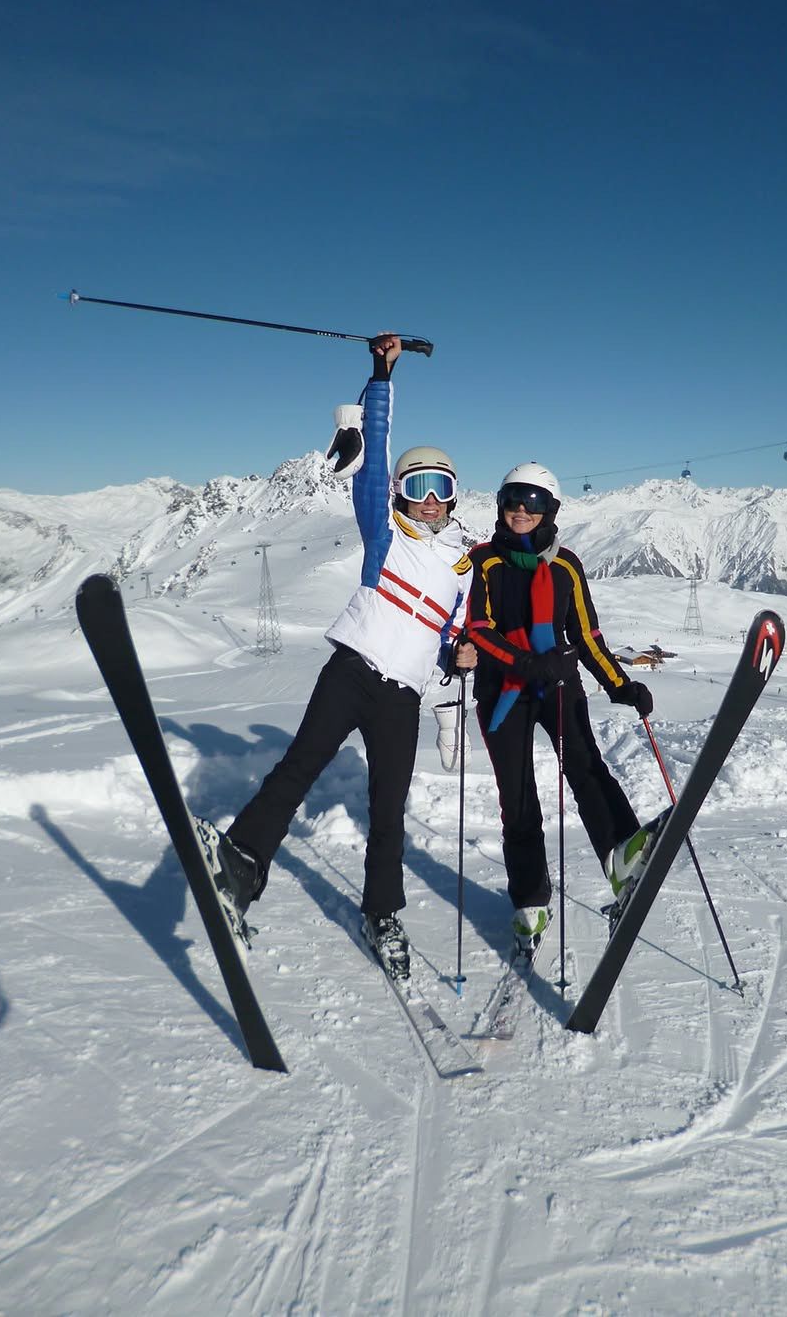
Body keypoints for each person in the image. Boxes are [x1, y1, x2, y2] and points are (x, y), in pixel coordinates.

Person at [197, 333, 474, 982]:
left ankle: (382, 914)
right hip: (351, 672)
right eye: (418, 484)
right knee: (299, 768)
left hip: (402, 695)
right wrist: (380, 377)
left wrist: (458, 679)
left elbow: (460, 641)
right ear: (402, 491)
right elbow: (371, 461)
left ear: (455, 494)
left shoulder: (464, 565)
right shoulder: (386, 532)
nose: (429, 496)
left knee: (388, 810)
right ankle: (242, 861)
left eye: (441, 485)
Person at [462, 462, 663, 951]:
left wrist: (619, 684)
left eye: (532, 501)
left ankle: (623, 857)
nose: (521, 511)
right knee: (519, 798)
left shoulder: (567, 564)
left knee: (586, 766)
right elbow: (478, 629)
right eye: (512, 500)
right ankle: (530, 902)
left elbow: (587, 635)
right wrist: (527, 663)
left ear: (549, 509)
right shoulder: (484, 561)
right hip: (503, 690)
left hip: (557, 684)